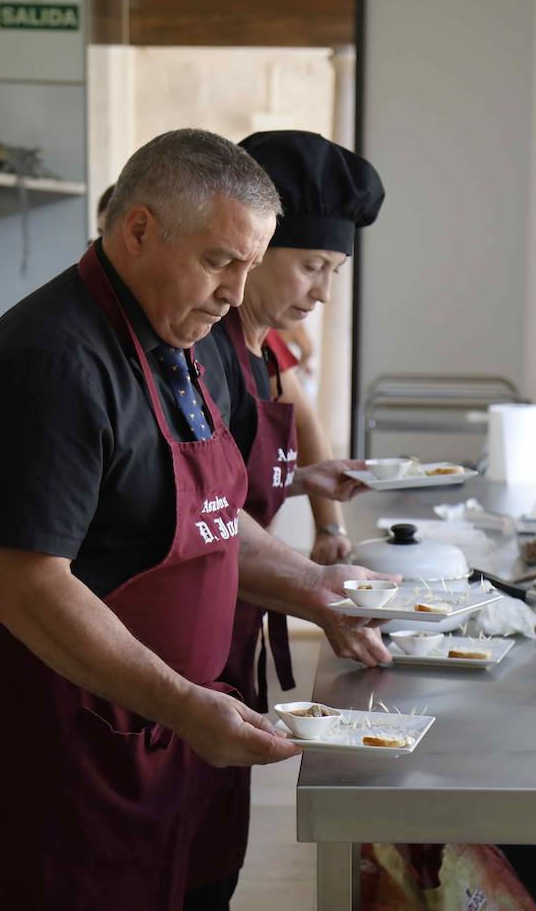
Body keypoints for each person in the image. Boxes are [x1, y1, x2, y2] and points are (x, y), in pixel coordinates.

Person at [0, 129, 391, 910]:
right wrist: (182, 703)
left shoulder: (181, 340)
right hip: (71, 743)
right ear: (137, 228)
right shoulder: (53, 361)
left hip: (165, 731)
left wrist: (315, 585)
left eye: (248, 268)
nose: (232, 293)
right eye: (220, 261)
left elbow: (209, 517)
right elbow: (26, 586)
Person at [186, 130, 385, 895]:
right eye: (311, 266)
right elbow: (200, 513)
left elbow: (228, 493)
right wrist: (315, 583)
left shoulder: (262, 350)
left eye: (332, 271)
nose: (322, 291)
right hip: (175, 655)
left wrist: (313, 492)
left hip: (224, 642)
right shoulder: (198, 354)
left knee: (208, 865)